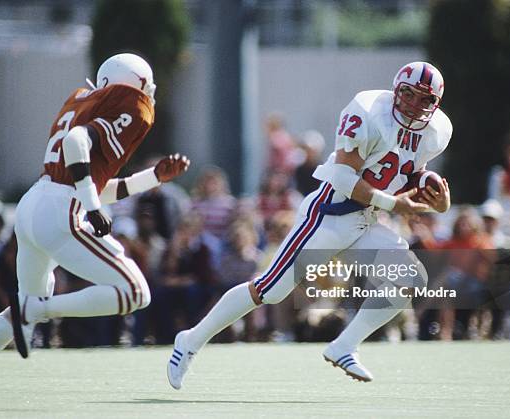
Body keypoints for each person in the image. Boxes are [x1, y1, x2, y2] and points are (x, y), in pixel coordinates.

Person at [167, 61, 452, 388]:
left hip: (367, 221)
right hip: (329, 214)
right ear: (395, 89)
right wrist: (394, 204)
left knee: (411, 278)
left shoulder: (435, 131)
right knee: (269, 291)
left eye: (424, 100)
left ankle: (344, 346)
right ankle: (189, 340)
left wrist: (437, 199)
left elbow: (408, 173)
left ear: (435, 105)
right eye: (408, 93)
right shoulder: (369, 112)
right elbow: (344, 177)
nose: (414, 104)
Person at [0, 53, 190, 399]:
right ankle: (38, 309)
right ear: (137, 82)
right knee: (135, 292)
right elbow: (77, 145)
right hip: (60, 208)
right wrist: (90, 205)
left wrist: (153, 178)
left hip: (33, 205)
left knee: (25, 305)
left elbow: (90, 177)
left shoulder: (82, 101)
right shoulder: (127, 103)